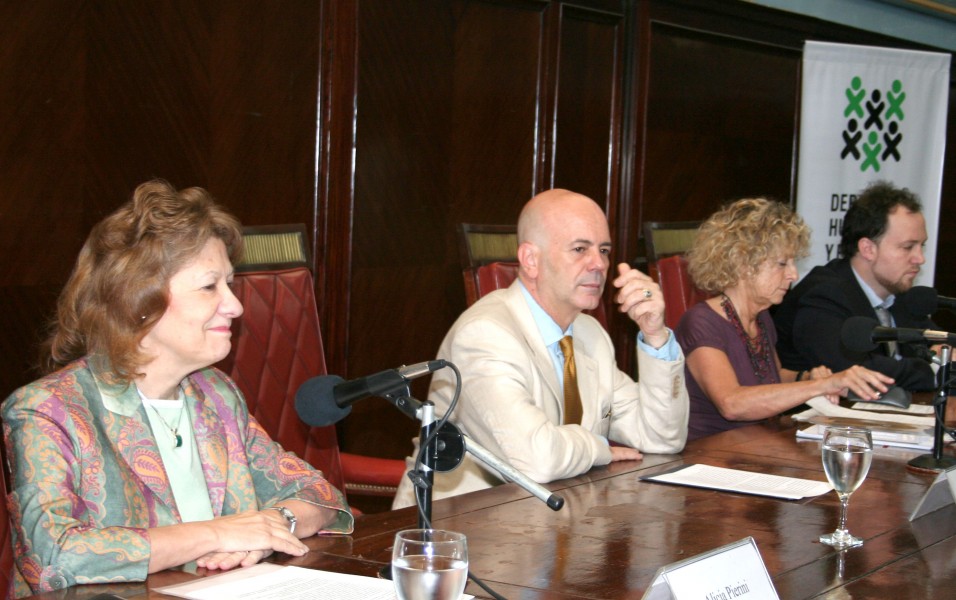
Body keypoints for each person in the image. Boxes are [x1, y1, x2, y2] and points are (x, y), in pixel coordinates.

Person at [1, 180, 353, 597]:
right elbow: (52, 556)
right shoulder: (48, 410)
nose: (236, 306)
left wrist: (272, 526)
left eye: (230, 284)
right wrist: (217, 534)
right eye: (210, 287)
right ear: (139, 301)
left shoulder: (214, 394)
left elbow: (320, 495)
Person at [392, 189, 689, 509]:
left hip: (556, 524)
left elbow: (662, 438)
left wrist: (655, 335)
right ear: (531, 260)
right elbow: (536, 459)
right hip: (461, 532)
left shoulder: (590, 334)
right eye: (580, 249)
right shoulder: (483, 334)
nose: (599, 264)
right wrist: (600, 448)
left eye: (604, 250)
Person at [675, 198, 892, 441]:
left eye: (793, 262)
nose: (793, 274)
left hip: (755, 447)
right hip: (709, 457)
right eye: (782, 263)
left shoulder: (761, 317)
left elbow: (773, 377)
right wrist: (822, 385)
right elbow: (732, 403)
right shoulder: (701, 322)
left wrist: (807, 377)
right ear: (743, 263)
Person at [772, 180, 937, 392]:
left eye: (921, 246)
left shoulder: (900, 293)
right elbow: (860, 373)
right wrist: (936, 368)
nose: (920, 258)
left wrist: (943, 354)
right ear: (868, 248)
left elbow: (935, 344)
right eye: (908, 247)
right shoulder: (822, 295)